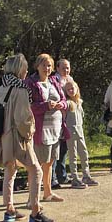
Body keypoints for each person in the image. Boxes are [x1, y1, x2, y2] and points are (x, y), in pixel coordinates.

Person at [0, 54, 53, 222]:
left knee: (10, 171)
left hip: (3, 136)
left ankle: (9, 209)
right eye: (24, 67)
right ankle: (35, 211)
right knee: (36, 170)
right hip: (17, 137)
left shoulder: (2, 88)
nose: (27, 71)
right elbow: (23, 119)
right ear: (19, 69)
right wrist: (30, 133)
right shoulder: (20, 90)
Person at [26, 53, 68, 202]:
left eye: (49, 65)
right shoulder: (30, 83)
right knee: (36, 165)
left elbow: (64, 100)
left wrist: (60, 105)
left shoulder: (54, 81)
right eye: (44, 65)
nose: (47, 68)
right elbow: (28, 107)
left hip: (55, 129)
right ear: (37, 66)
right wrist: (45, 106)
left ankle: (48, 193)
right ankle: (32, 198)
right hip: (40, 130)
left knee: (50, 162)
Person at [63, 80, 99, 186]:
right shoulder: (68, 103)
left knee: (84, 153)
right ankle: (74, 177)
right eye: (68, 89)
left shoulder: (79, 102)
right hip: (71, 132)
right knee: (73, 155)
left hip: (80, 131)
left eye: (72, 88)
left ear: (77, 88)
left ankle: (86, 175)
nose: (70, 90)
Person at [51, 58, 73, 188]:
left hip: (67, 119)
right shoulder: (55, 81)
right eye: (64, 67)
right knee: (55, 150)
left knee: (64, 149)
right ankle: (52, 178)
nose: (66, 70)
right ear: (57, 68)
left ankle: (62, 175)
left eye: (68, 67)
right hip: (57, 119)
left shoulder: (70, 80)